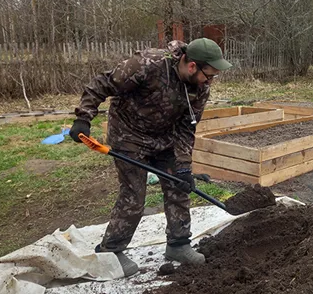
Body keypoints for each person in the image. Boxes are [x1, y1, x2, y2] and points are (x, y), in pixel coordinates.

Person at [69, 38, 232, 276]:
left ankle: (178, 245)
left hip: (164, 139)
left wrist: (185, 167)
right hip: (129, 135)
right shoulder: (148, 64)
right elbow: (103, 82)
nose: (211, 81)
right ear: (192, 66)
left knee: (179, 186)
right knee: (134, 195)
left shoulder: (199, 88)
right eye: (209, 74)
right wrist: (84, 117)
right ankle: (110, 252)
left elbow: (187, 127)